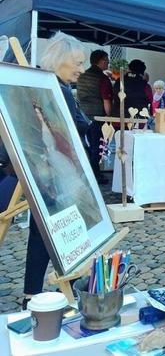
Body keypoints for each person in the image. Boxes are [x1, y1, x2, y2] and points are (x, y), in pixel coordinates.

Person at [23, 32, 92, 308]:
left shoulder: (40, 84)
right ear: (60, 60)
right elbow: (71, 129)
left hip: (42, 170)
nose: (82, 68)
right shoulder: (56, 89)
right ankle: (71, 290)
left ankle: (30, 295)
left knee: (39, 233)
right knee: (66, 230)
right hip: (57, 172)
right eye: (77, 62)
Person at [76, 49, 112, 184]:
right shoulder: (102, 78)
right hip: (98, 117)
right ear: (101, 61)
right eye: (107, 60)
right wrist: (109, 117)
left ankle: (86, 173)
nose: (108, 62)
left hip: (82, 115)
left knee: (85, 145)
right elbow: (106, 101)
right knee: (97, 147)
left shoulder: (81, 75)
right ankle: (95, 175)